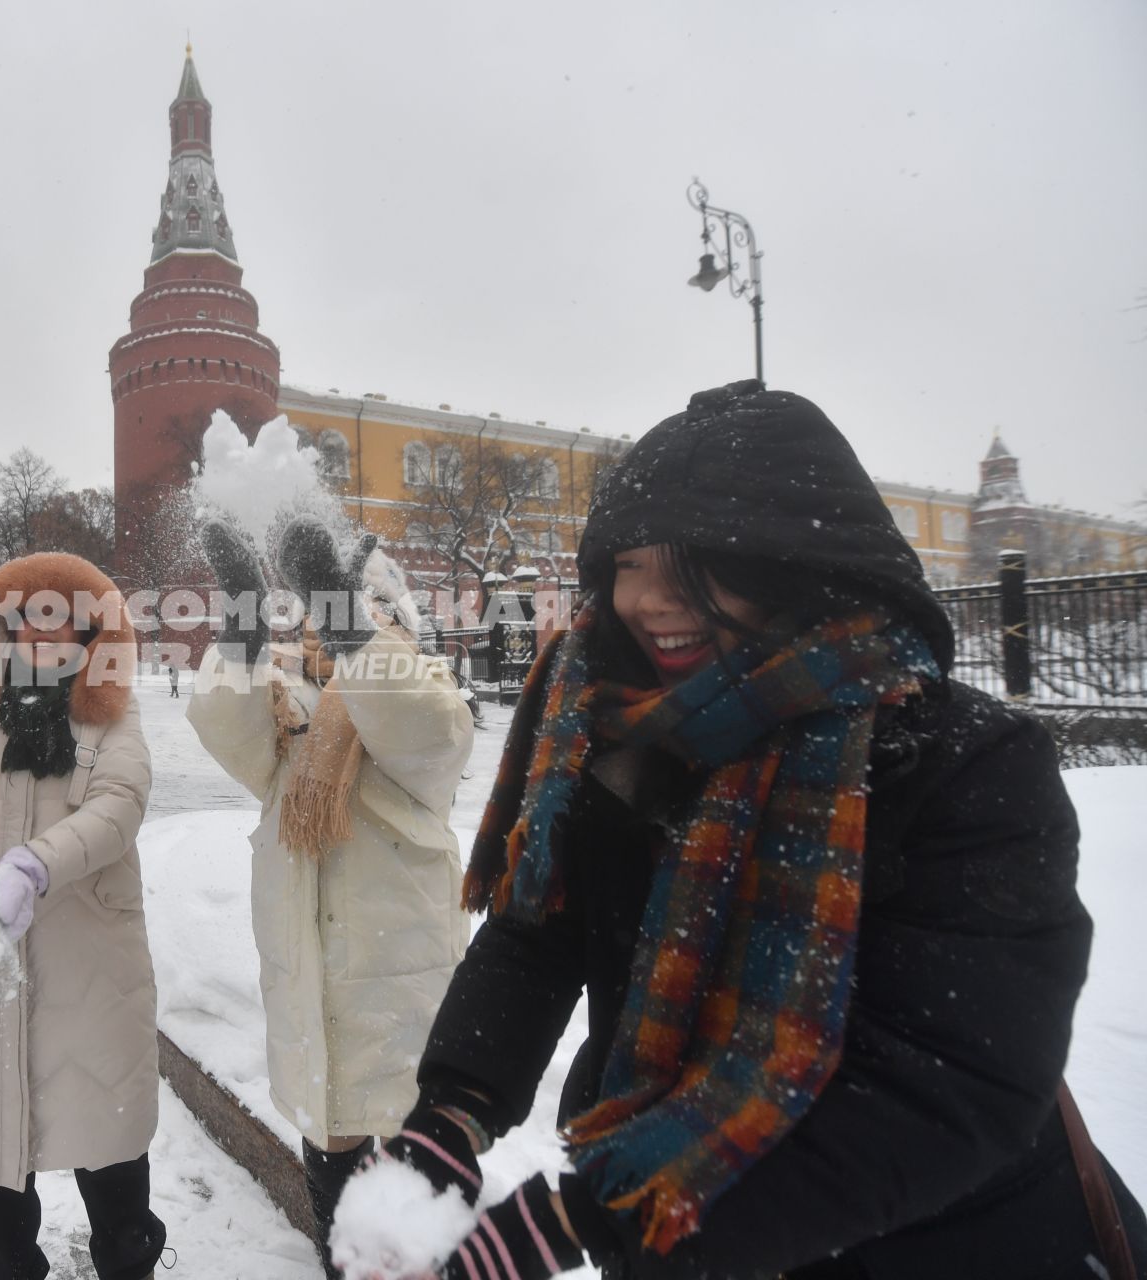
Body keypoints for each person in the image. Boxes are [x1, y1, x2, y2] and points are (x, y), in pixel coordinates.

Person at [333, 382, 1146, 1280]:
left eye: (697, 565)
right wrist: (454, 1112)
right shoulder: (617, 726)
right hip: (665, 1228)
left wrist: (594, 1217)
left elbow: (947, 1084)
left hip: (934, 1244)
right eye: (628, 564)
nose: (648, 600)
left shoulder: (962, 762)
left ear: (797, 564)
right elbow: (541, 933)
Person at [188, 517, 476, 1277]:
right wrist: (244, 623)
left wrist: (348, 619)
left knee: (416, 1144)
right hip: (314, 970)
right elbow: (221, 727)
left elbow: (418, 721)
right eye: (344, 611)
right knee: (332, 1135)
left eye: (375, 613)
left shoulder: (427, 696)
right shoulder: (289, 716)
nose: (356, 627)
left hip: (396, 972)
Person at [0, 552, 167, 1280]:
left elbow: (119, 806)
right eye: (27, 626)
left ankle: (129, 1262)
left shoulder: (114, 722)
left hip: (90, 968)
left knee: (107, 1143)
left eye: (64, 627)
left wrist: (35, 864)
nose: (42, 643)